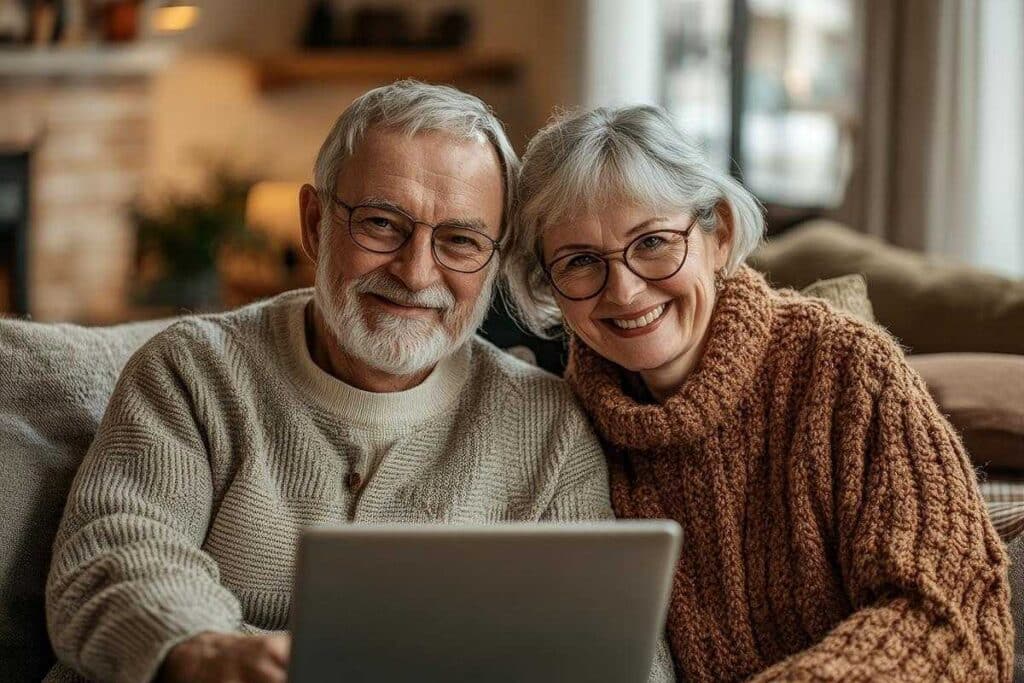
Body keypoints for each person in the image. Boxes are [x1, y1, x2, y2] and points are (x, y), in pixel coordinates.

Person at [45, 82, 674, 683]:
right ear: (315, 224)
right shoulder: (193, 370)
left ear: (493, 261)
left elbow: (615, 650)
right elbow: (117, 549)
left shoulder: (550, 428)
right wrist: (206, 652)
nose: (415, 271)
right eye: (380, 224)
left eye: (460, 239)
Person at [505, 104, 1013, 682]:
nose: (623, 290)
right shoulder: (557, 426)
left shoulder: (845, 369)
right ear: (547, 284)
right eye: (580, 261)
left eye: (652, 243)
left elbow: (950, 617)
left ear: (717, 234)